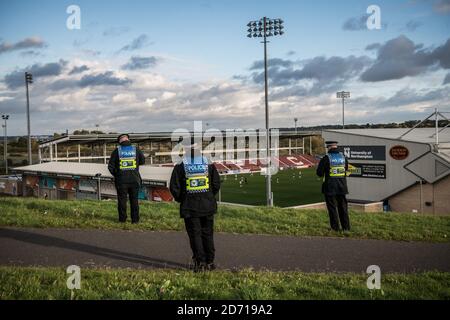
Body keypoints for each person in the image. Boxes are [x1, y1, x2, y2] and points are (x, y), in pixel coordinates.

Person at [169, 141, 221, 272]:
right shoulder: (208, 163)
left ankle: (200, 262)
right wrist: (209, 196)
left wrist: (183, 199)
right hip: (207, 205)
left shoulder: (180, 166)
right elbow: (216, 184)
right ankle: (210, 262)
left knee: (195, 235)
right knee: (208, 234)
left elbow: (174, 187)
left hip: (190, 206)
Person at [108, 134, 145, 224]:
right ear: (128, 139)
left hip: (121, 181)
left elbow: (110, 167)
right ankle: (135, 220)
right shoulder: (136, 149)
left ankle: (122, 220)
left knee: (122, 200)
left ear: (120, 141)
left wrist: (117, 174)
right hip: (134, 179)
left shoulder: (117, 151)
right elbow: (143, 161)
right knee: (134, 200)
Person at [316, 141, 351, 231]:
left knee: (332, 208)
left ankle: (335, 228)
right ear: (336, 147)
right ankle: (346, 228)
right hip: (342, 187)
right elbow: (346, 169)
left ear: (329, 147)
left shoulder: (326, 158)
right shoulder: (343, 157)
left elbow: (319, 173)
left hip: (330, 187)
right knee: (343, 208)